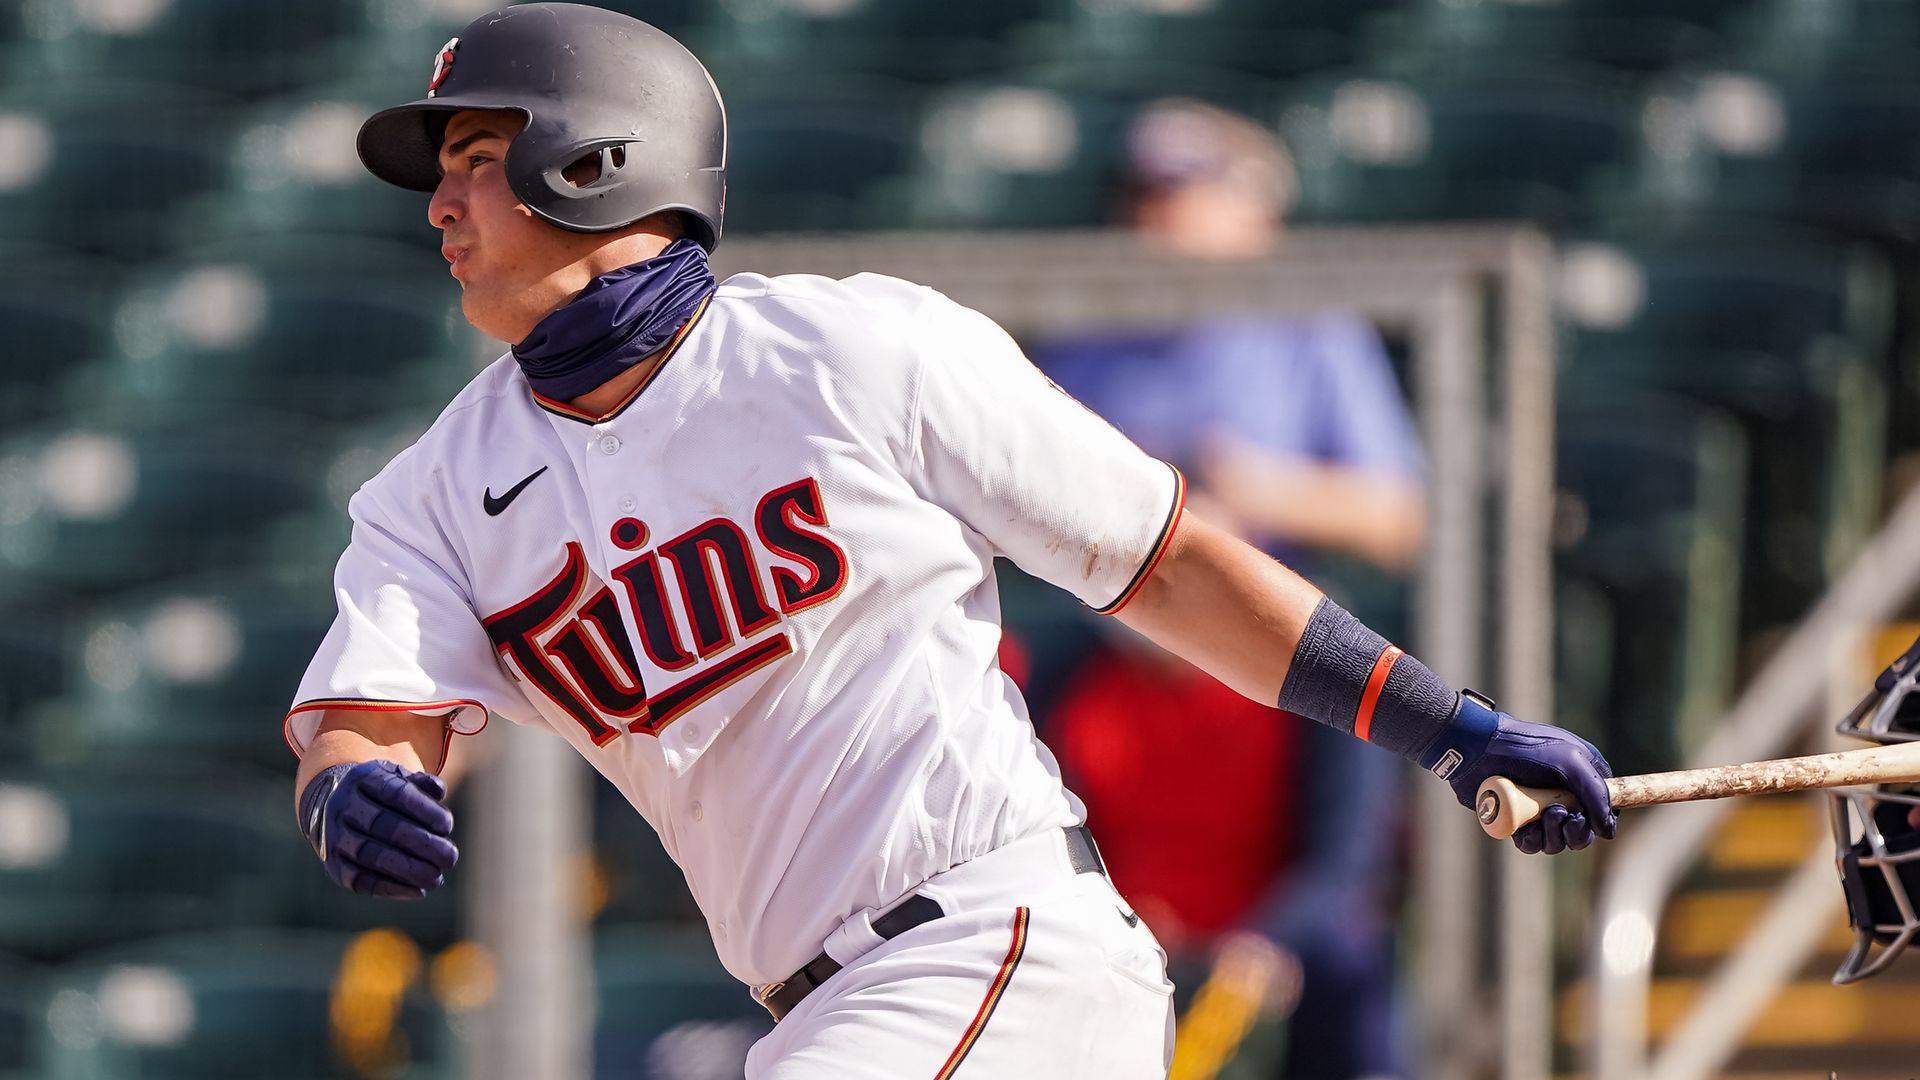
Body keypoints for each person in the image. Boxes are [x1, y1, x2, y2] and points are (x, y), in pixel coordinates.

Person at [285, 8, 1616, 1079]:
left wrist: (1446, 725)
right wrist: (351, 787)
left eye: (473, 159)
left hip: (997, 946)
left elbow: (1166, 561)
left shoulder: (850, 348)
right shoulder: (434, 492)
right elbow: (371, 716)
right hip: (821, 1008)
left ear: (594, 162)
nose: (438, 206)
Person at [1033, 100, 1426, 1080]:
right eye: (1144, 195)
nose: (1156, 216)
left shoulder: (1306, 326)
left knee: (1339, 921)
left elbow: (1397, 516)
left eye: (1184, 192)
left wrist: (1245, 493)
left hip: (1274, 646)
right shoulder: (1086, 331)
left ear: (1256, 210)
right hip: (1117, 648)